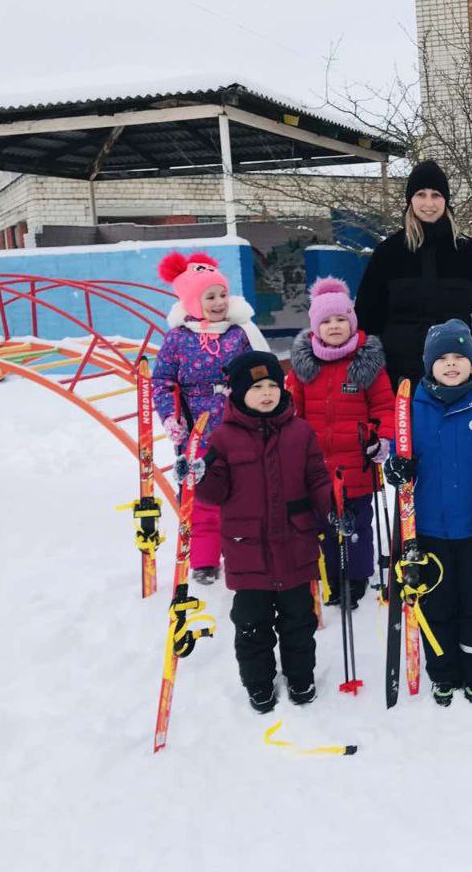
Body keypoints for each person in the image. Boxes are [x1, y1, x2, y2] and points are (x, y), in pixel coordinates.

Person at [382, 319, 472, 706]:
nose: (450, 364)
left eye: (459, 357)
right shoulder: (411, 411)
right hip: (428, 531)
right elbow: (398, 456)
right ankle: (443, 673)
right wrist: (395, 468)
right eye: (441, 358)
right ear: (429, 365)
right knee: (436, 603)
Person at [192, 351, 335, 713]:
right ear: (239, 393)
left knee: (299, 623)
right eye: (257, 387)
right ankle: (258, 683)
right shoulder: (223, 439)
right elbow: (213, 493)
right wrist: (199, 474)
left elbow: (317, 477)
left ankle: (301, 678)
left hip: (295, 546)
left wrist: (334, 506)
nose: (268, 392)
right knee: (252, 626)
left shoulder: (300, 432)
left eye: (273, 384)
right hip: (247, 551)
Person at [153, 251, 269, 586]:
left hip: (239, 427)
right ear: (192, 301)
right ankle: (204, 560)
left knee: (242, 495)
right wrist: (170, 417)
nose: (218, 303)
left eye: (222, 295)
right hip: (197, 432)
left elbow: (258, 371)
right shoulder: (177, 338)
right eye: (210, 296)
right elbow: (163, 381)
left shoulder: (239, 333)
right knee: (203, 496)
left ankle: (240, 553)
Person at [286, 277, 395, 609]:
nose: (334, 326)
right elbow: (293, 410)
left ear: (352, 322)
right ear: (315, 327)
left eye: (340, 320)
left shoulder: (368, 365)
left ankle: (357, 575)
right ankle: (331, 574)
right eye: (326, 321)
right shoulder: (304, 367)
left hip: (356, 462)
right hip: (316, 466)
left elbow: (384, 407)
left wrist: (382, 439)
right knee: (323, 524)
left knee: (357, 523)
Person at [354, 160, 472, 384]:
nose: (428, 203)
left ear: (446, 200)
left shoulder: (466, 251)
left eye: (436, 195)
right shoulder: (389, 252)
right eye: (421, 194)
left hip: (457, 376)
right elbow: (367, 315)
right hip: (400, 377)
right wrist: (376, 360)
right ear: (410, 200)